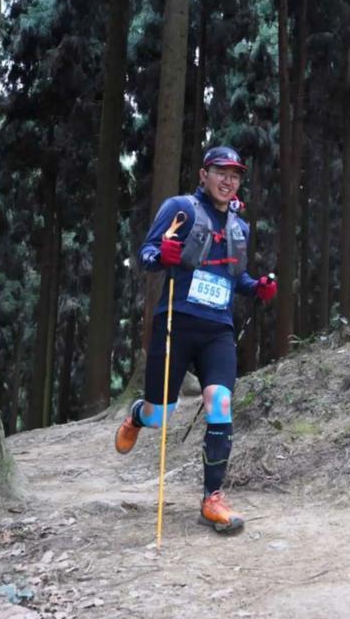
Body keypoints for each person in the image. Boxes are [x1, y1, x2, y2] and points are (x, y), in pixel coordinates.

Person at [114, 146, 276, 534]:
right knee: (160, 415)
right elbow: (146, 254)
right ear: (204, 174)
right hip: (177, 321)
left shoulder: (239, 226)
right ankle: (138, 415)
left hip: (218, 328)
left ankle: (212, 499)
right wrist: (164, 257)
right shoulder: (180, 210)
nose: (228, 181)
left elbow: (236, 278)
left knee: (220, 401)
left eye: (235, 175)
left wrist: (257, 287)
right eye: (221, 172)